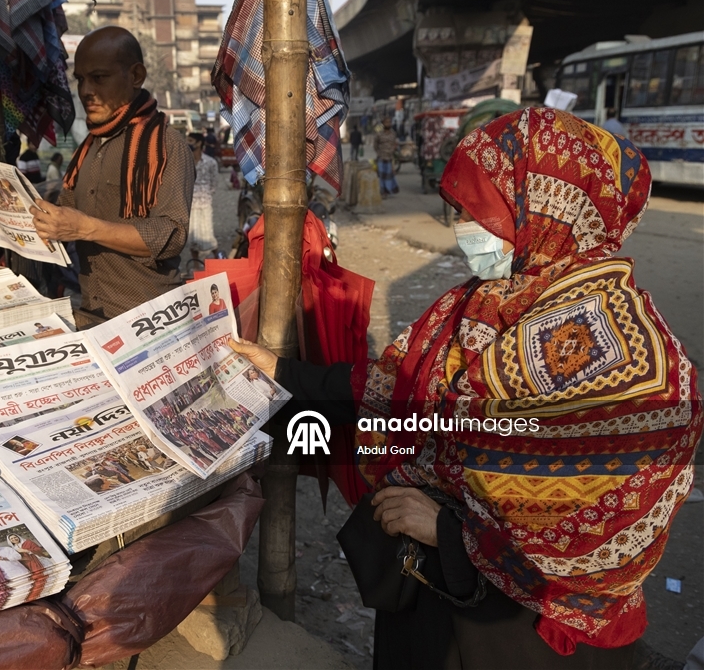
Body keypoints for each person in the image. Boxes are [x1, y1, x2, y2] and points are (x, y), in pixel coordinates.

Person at [229, 107, 701, 669]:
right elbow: (396, 389)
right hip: (432, 595)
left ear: (543, 212)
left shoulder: (631, 352)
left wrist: (453, 534)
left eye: (474, 211)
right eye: (455, 208)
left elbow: (601, 517)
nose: (459, 225)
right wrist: (281, 374)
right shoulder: (477, 302)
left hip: (525, 633)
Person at [0, 26, 194, 327]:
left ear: (136, 75)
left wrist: (86, 228)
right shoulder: (88, 148)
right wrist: (0, 207)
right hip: (92, 312)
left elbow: (172, 235)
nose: (86, 91)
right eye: (80, 80)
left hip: (150, 319)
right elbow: (60, 221)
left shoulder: (166, 144)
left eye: (99, 78)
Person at [188, 131, 220, 262]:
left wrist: (206, 195)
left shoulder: (211, 162)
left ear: (199, 143)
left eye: (190, 141)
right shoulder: (185, 161)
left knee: (208, 235)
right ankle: (196, 265)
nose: (188, 143)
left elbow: (214, 183)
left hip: (205, 204)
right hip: (190, 205)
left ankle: (219, 261)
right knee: (192, 238)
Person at [373, 121, 399, 196]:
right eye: (386, 122)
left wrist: (392, 150)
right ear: (383, 124)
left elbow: (394, 144)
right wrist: (378, 152)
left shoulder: (393, 134)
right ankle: (382, 191)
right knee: (381, 175)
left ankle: (388, 190)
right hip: (381, 157)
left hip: (389, 158)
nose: (388, 124)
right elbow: (375, 145)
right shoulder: (379, 134)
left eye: (389, 122)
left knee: (388, 175)